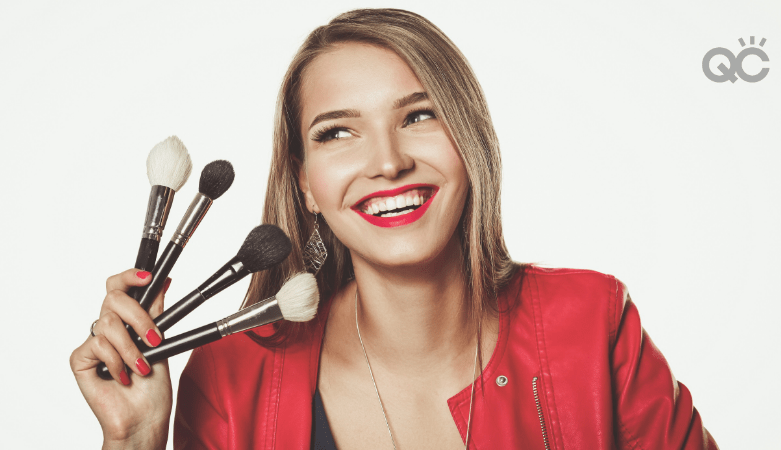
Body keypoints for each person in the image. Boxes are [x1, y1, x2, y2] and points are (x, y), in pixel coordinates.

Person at [71, 8, 718, 449]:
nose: (387, 162)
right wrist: (131, 441)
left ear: (470, 142)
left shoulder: (592, 320)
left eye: (418, 117)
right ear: (305, 185)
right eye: (338, 132)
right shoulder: (228, 376)